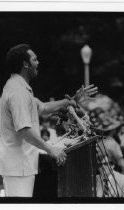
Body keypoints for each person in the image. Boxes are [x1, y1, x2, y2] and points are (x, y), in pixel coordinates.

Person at [0, 43, 98, 197]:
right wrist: (50, 149)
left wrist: (71, 100)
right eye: (34, 59)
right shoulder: (18, 92)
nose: (38, 63)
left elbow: (43, 107)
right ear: (25, 64)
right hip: (18, 167)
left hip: (20, 166)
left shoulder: (18, 87)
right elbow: (24, 130)